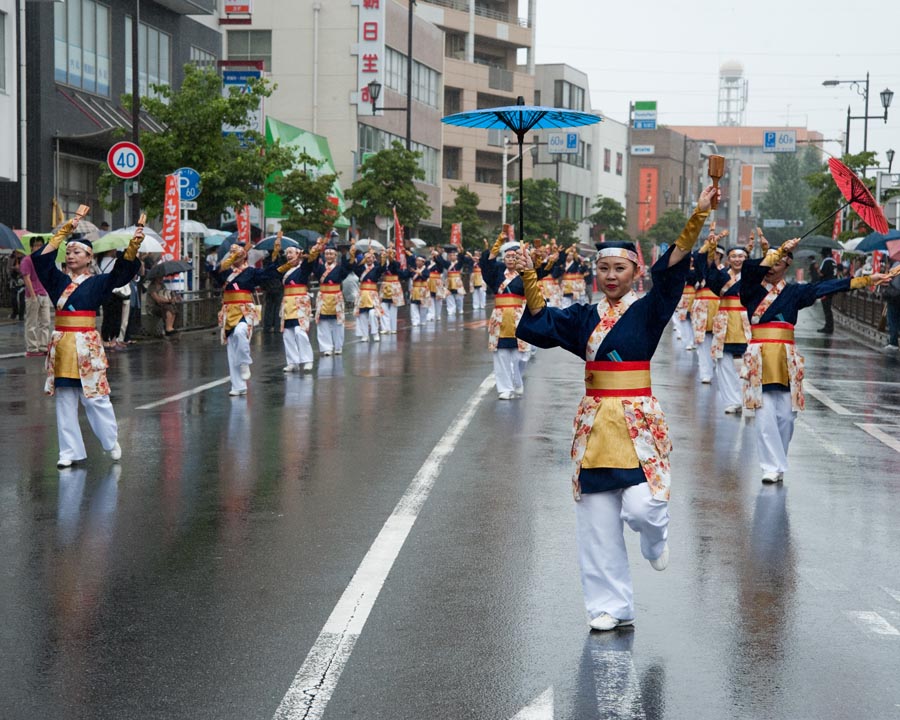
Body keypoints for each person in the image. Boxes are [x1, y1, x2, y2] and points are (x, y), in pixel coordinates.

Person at [515, 185, 717, 632]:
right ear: (594, 273)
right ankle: (611, 607)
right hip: (594, 424)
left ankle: (654, 537)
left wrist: (697, 215)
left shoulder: (650, 309)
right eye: (603, 268)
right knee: (597, 524)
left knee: (645, 507)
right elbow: (542, 323)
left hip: (638, 420)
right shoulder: (583, 317)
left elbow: (672, 271)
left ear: (635, 272)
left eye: (619, 268)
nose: (610, 275)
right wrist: (530, 276)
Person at [739, 236, 892, 483]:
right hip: (759, 355)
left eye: (780, 260)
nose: (773, 264)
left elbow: (828, 287)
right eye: (771, 259)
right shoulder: (750, 289)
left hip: (785, 356)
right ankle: (771, 466)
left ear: (787, 265)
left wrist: (866, 280)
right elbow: (749, 269)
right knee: (764, 412)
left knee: (787, 416)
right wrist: (777, 252)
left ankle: (778, 461)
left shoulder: (794, 292)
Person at [32, 217, 143, 467]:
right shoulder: (57, 281)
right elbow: (40, 261)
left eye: (77, 252)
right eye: (68, 252)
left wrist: (132, 248)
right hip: (62, 344)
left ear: (89, 258)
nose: (71, 256)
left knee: (95, 398)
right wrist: (61, 235)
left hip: (86, 344)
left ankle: (110, 440)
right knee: (65, 399)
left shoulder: (98, 282)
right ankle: (69, 452)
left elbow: (120, 274)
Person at [215, 240, 283, 396]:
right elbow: (215, 273)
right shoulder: (225, 271)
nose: (234, 256)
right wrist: (229, 260)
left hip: (245, 309)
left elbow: (270, 273)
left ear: (244, 256)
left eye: (236, 253)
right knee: (231, 347)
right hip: (228, 310)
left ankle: (245, 361)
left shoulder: (251, 272)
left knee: (240, 332)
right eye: (231, 253)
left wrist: (274, 256)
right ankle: (238, 386)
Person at [699, 241, 752, 414]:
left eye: (741, 256)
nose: (738, 259)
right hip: (725, 320)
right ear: (728, 259)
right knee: (723, 362)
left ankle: (749, 399)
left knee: (752, 360)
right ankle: (732, 400)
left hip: (746, 319)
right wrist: (710, 248)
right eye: (734, 256)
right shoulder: (721, 275)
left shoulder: (753, 276)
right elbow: (707, 270)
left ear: (747, 258)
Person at [479, 231, 530, 400]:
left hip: (518, 317)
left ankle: (517, 381)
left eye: (514, 256)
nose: (510, 259)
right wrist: (497, 244)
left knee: (520, 357)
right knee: (501, 356)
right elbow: (488, 264)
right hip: (499, 318)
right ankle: (504, 388)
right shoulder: (497, 275)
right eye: (507, 256)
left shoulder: (524, 276)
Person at [690, 228, 728, 383]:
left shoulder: (724, 271)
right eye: (712, 254)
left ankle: (716, 367)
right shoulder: (702, 270)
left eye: (717, 254)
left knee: (718, 339)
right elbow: (697, 256)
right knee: (702, 341)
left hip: (719, 306)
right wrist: (711, 241)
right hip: (701, 306)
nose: (714, 256)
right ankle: (705, 372)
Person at [309, 237, 356, 356]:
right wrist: (317, 251)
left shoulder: (340, 268)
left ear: (335, 255)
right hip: (323, 296)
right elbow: (314, 267)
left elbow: (348, 268)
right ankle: (326, 347)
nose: (329, 256)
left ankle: (338, 346)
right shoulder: (320, 267)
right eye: (327, 254)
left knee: (338, 323)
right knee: (322, 323)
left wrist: (347, 254)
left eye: (331, 254)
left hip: (336, 297)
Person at [278, 244, 316, 372]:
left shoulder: (303, 268)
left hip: (300, 302)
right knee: (287, 334)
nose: (288, 255)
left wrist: (306, 256)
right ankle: (292, 361)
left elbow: (309, 264)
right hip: (288, 303)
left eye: (291, 252)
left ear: (297, 255)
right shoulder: (285, 270)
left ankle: (307, 360)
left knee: (300, 332)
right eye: (287, 252)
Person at [20, 235, 53, 356]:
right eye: (36, 245)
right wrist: (33, 295)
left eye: (40, 245)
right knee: (32, 323)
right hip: (32, 295)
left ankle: (43, 346)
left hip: (44, 293)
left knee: (45, 322)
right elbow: (26, 277)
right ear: (31, 247)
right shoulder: (27, 260)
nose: (38, 247)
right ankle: (32, 348)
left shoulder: (44, 260)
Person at [353, 251, 385, 342]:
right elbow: (354, 268)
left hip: (372, 294)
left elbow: (382, 268)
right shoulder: (361, 269)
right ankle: (364, 334)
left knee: (372, 313)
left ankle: (375, 333)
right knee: (362, 314)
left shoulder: (376, 268)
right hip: (362, 294)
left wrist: (383, 257)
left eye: (371, 257)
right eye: (367, 258)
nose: (369, 259)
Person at [378, 248, 408, 334]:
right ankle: (385, 328)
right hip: (385, 286)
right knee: (383, 307)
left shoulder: (396, 263)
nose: (388, 254)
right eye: (387, 253)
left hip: (394, 286)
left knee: (393, 309)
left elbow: (394, 267)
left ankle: (393, 328)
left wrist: (390, 259)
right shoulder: (383, 263)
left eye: (391, 253)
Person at [444, 245, 472, 317]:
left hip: (457, 281)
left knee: (459, 296)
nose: (452, 257)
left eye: (453, 255)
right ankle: (450, 310)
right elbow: (440, 261)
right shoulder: (447, 264)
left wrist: (461, 252)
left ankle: (460, 309)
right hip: (449, 281)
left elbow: (462, 259)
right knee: (449, 295)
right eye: (450, 255)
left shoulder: (459, 263)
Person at [817, 246, 837, 334]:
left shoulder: (826, 261)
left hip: (826, 287)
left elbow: (822, 274)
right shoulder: (834, 261)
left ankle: (828, 327)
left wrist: (817, 268)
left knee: (826, 308)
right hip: (833, 286)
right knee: (828, 307)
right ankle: (829, 326)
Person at [408, 255, 432, 327]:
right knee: (413, 305)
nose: (417, 262)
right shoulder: (414, 269)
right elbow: (412, 276)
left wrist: (417, 272)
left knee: (423, 306)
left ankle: (423, 320)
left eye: (419, 261)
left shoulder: (426, 270)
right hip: (415, 289)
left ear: (423, 262)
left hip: (423, 289)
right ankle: (415, 320)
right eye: (416, 261)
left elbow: (425, 277)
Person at [425, 248, 448, 321]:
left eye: (434, 254)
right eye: (432, 254)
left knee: (438, 299)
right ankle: (431, 314)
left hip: (437, 281)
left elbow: (442, 266)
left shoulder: (439, 263)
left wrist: (438, 257)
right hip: (429, 281)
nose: (432, 256)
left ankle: (438, 314)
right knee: (430, 298)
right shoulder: (427, 263)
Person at [883, 260, 900, 352]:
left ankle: (893, 342)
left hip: (894, 296)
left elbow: (889, 279)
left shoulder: (896, 265)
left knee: (892, 319)